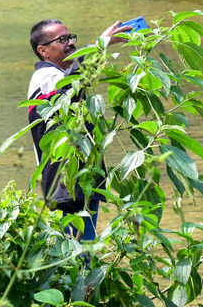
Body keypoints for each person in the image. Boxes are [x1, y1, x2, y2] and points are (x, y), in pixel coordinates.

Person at [27, 19, 129, 241]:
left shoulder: (59, 75)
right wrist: (100, 45)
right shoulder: (45, 78)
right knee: (78, 258)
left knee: (81, 253)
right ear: (43, 51)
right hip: (67, 185)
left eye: (70, 37)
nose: (71, 43)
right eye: (62, 40)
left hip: (82, 182)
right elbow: (70, 85)